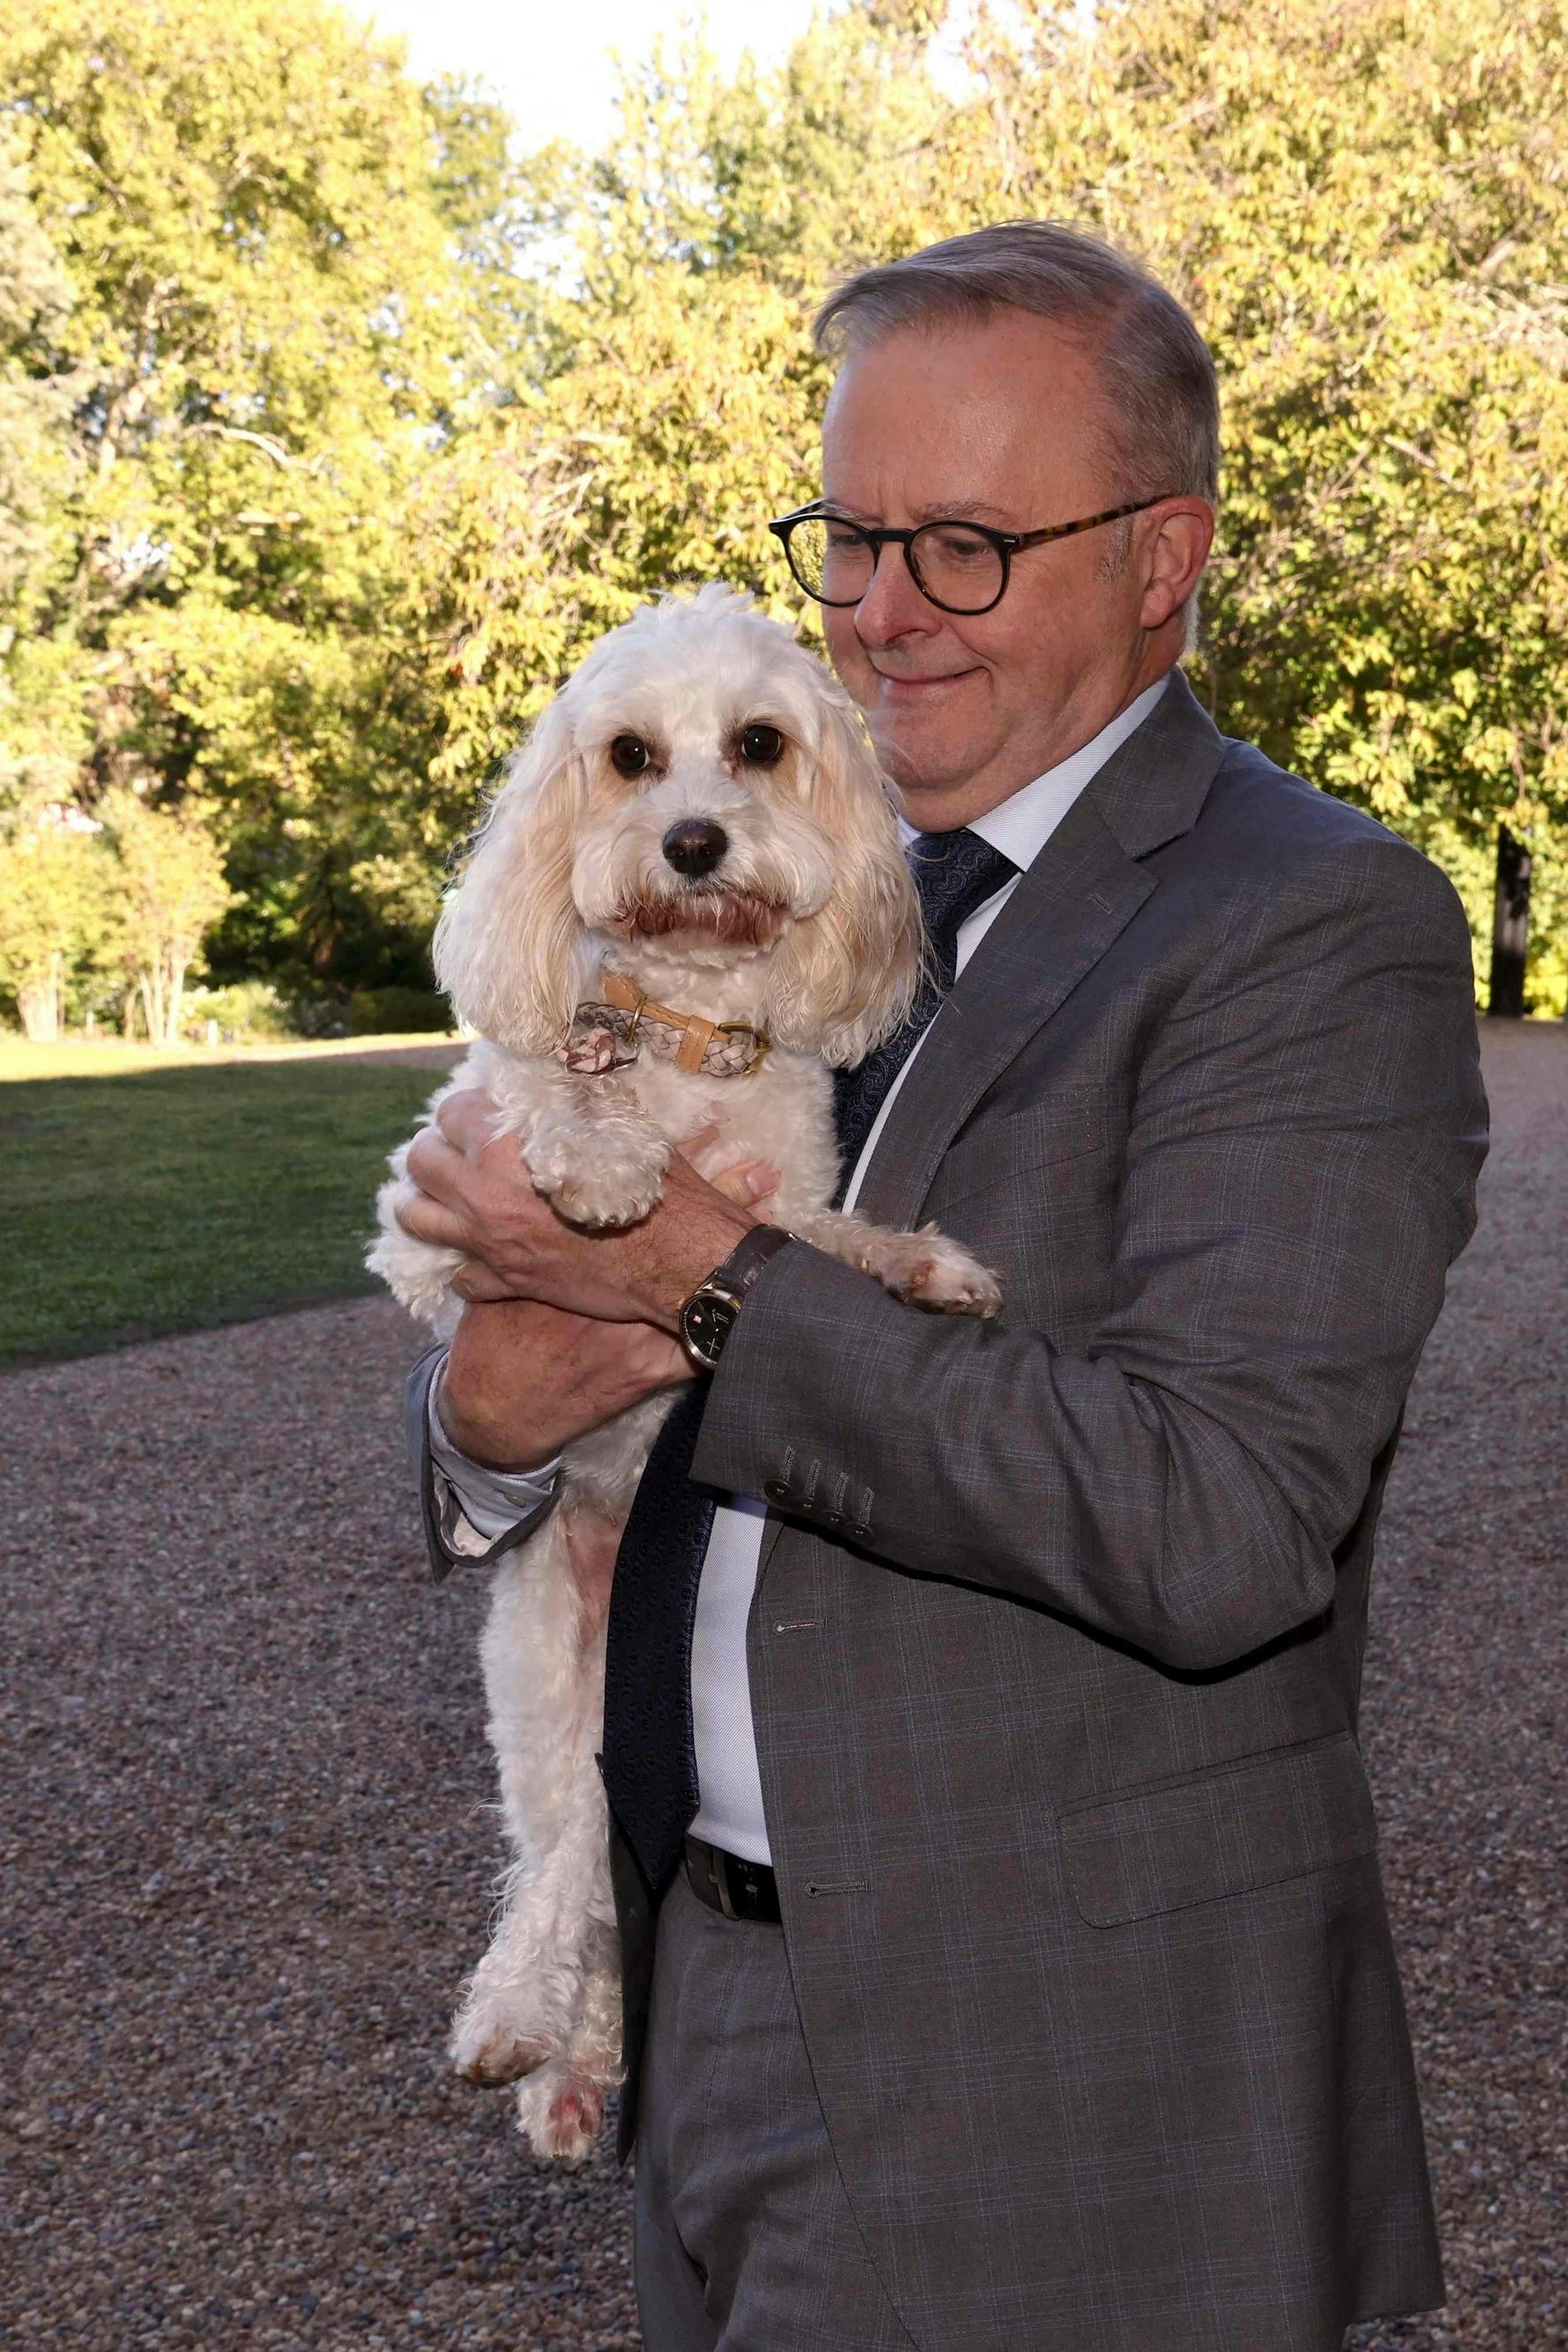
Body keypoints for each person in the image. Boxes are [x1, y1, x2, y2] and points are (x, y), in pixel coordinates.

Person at [396, 221, 1487, 2351]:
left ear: (1161, 556)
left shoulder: (1312, 922)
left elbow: (1220, 1516)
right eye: (853, 536)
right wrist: (480, 1425)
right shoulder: (792, 863)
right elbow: (512, 1333)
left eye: (967, 546)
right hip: (704, 1995)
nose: (884, 612)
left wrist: (702, 1267)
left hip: (1045, 2076)